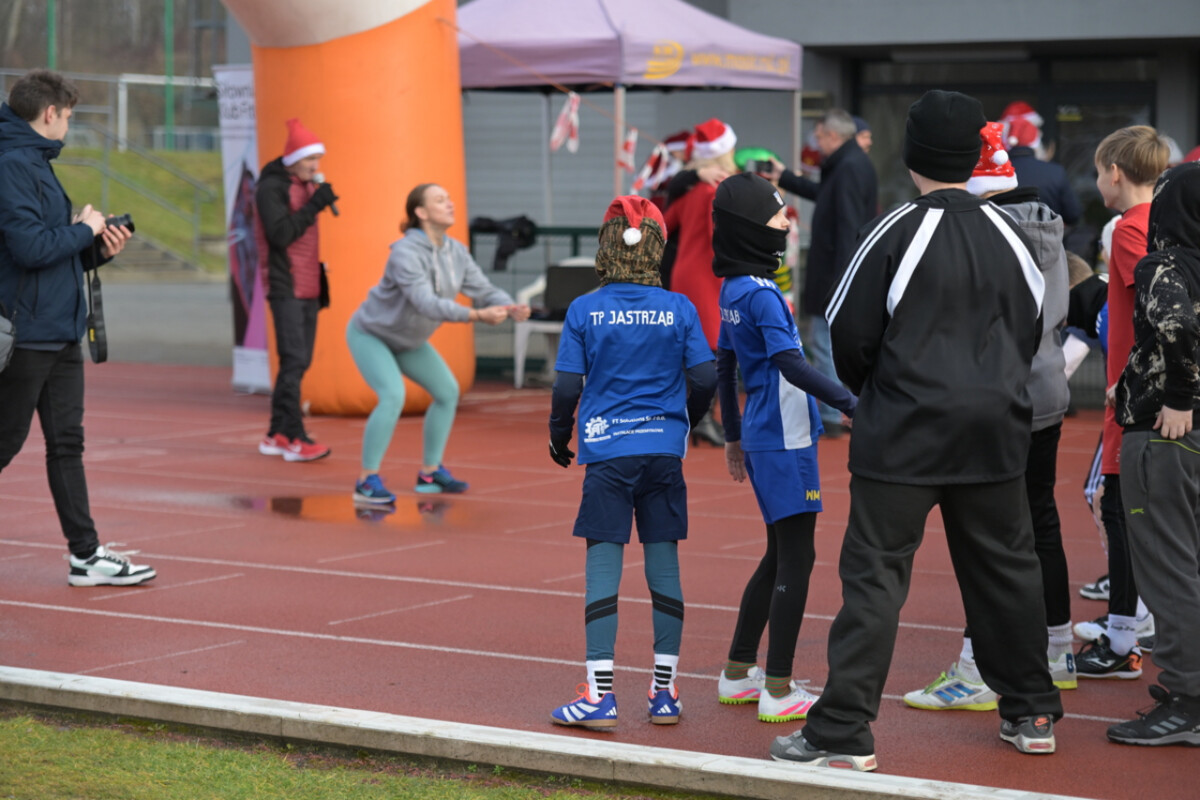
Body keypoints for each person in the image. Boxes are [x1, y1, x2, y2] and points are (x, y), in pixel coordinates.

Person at [771, 90, 1061, 771]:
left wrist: (876, 393)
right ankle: (1031, 712)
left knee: (875, 577)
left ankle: (843, 730)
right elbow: (1030, 331)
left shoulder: (895, 229)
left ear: (912, 155)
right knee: (1008, 571)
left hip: (902, 433)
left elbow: (847, 332)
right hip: (994, 433)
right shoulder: (1014, 238)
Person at [902, 122, 1076, 711]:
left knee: (991, 539)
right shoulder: (1045, 221)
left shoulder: (987, 229)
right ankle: (1057, 649)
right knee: (1040, 523)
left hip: (1000, 396)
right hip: (1047, 387)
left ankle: (978, 667)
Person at [548, 196, 716, 729]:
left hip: (607, 453)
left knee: (604, 569)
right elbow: (705, 377)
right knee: (664, 566)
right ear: (657, 249)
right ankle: (664, 693)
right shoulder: (680, 308)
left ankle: (599, 697)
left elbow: (566, 386)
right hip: (663, 451)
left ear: (605, 246)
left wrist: (559, 434)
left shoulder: (584, 309)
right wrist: (684, 420)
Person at [711, 173, 856, 723]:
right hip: (786, 437)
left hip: (763, 434)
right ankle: (778, 686)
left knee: (778, 555)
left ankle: (738, 671)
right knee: (797, 557)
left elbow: (726, 364)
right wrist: (852, 402)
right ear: (752, 228)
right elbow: (790, 364)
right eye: (777, 216)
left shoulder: (733, 288)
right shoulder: (762, 293)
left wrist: (732, 435)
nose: (786, 222)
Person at [0, 69, 152, 587]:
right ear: (50, 114)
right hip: (27, 334)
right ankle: (86, 554)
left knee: (67, 445)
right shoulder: (13, 163)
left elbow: (51, 253)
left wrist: (97, 247)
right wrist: (83, 229)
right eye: (67, 116)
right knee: (4, 442)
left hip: (60, 330)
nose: (68, 125)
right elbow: (29, 249)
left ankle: (85, 556)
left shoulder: (35, 161)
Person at [347, 183, 529, 504]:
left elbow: (483, 289)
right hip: (371, 335)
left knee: (447, 392)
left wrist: (509, 305)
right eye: (440, 200)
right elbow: (426, 304)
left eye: (449, 199)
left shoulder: (456, 251)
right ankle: (366, 481)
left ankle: (430, 474)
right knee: (392, 396)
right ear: (420, 212)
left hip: (409, 340)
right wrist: (477, 315)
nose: (450, 204)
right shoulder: (404, 253)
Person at [1109, 159, 1200, 746]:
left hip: (1167, 433)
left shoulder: (1163, 263)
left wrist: (1178, 396)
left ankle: (1190, 699)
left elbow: (1177, 325)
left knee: (1168, 570)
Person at [1075, 126, 1169, 680]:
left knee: (1121, 510)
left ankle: (1123, 640)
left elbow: (1158, 307)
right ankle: (1128, 632)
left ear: (1115, 172)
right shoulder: (1163, 222)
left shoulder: (1132, 229)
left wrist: (1132, 376)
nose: (1095, 182)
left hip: (1133, 398)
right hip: (1145, 392)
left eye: (1096, 172)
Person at [766, 109, 877, 437]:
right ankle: (839, 408)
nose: (816, 142)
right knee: (828, 341)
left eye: (818, 136)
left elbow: (847, 225)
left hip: (834, 272)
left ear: (832, 135)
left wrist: (842, 279)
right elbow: (826, 197)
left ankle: (833, 411)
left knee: (824, 342)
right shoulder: (849, 164)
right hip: (839, 269)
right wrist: (786, 177)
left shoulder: (848, 167)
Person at [255, 118, 338, 463]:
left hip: (307, 284)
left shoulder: (302, 185)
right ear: (292, 159)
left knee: (299, 361)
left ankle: (277, 433)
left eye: (318, 159)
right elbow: (281, 235)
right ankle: (295, 437)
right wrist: (315, 205)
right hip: (285, 284)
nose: (315, 166)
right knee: (293, 361)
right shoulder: (271, 188)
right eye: (310, 159)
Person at [664, 118, 738, 446]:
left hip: (685, 274)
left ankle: (696, 417)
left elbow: (665, 222)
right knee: (713, 351)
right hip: (707, 277)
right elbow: (718, 240)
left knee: (692, 349)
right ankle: (703, 418)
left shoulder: (694, 190)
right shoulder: (715, 192)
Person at [1003, 110, 1082, 227]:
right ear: (1036, 143)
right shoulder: (1055, 172)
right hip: (1047, 237)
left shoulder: (996, 173)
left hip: (1005, 237)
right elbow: (1073, 215)